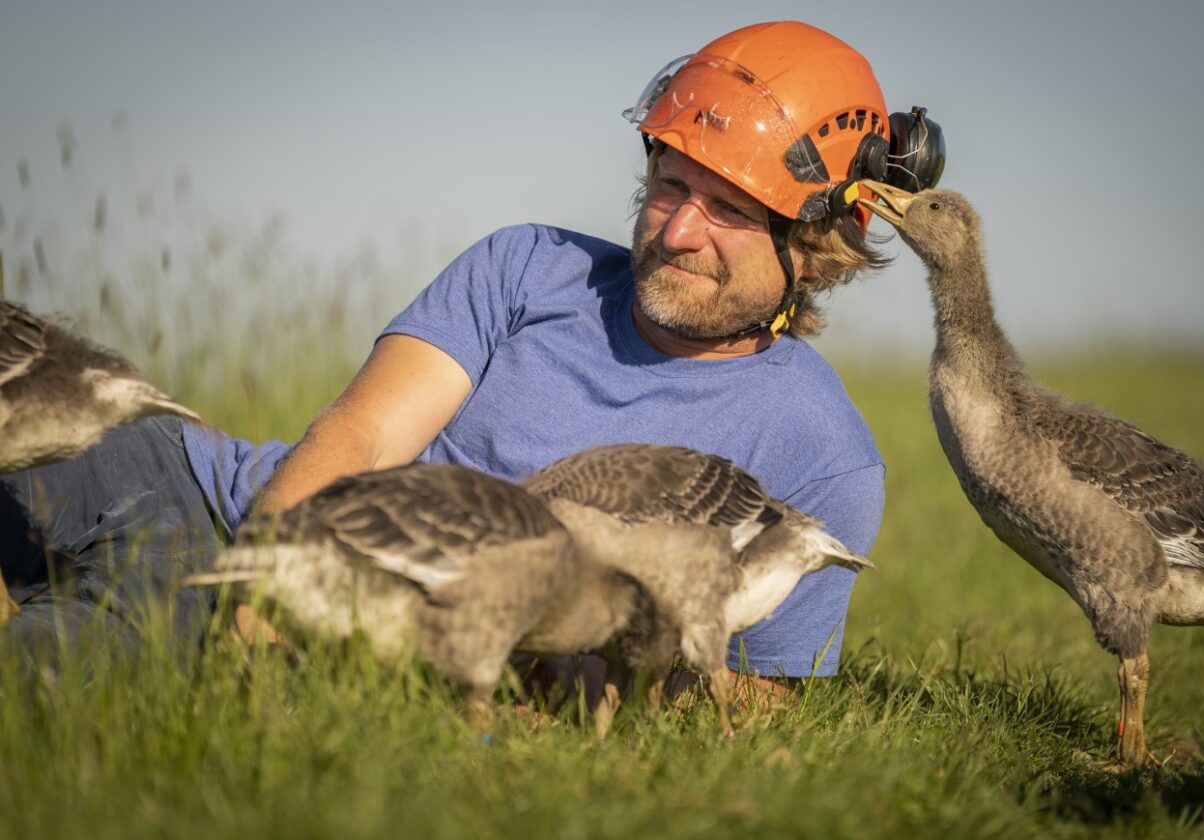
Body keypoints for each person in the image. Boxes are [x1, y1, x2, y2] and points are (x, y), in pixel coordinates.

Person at [3, 21, 939, 694]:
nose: (680, 230)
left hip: (324, 621)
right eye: (668, 184)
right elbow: (364, 432)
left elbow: (768, 696)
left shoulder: (822, 451)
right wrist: (268, 583)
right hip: (210, 492)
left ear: (816, 249)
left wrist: (587, 658)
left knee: (45, 690)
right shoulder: (530, 265)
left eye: (729, 209)